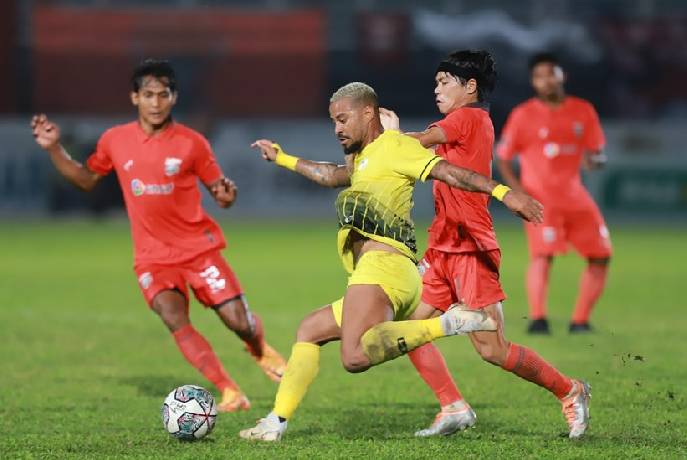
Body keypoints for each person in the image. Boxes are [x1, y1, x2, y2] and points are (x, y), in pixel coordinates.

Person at [238, 81, 544, 441]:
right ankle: (275, 422)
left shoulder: (395, 147)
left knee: (353, 358)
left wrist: (504, 192)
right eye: (333, 122)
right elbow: (332, 175)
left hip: (384, 268)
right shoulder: (364, 158)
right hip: (378, 271)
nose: (337, 128)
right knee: (310, 330)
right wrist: (283, 157)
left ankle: (448, 324)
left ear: (368, 112)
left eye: (342, 119)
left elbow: (450, 172)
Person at [30, 58, 286, 412]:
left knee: (238, 322)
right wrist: (53, 148)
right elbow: (86, 179)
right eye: (148, 95)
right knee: (173, 316)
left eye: (162, 94)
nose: (155, 102)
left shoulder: (192, 143)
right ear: (134, 97)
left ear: (173, 97)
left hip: (199, 250)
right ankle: (229, 390)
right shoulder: (115, 140)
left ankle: (258, 348)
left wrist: (228, 195)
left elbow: (221, 193)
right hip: (152, 257)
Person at [380, 50, 592, 439]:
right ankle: (453, 406)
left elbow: (415, 144)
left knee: (493, 350)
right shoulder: (459, 122)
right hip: (442, 246)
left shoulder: (468, 118)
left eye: (445, 81)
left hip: (470, 248)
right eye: (435, 82)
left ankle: (571, 390)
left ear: (470, 86)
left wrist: (385, 134)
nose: (436, 88)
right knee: (407, 331)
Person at [496, 52, 611, 334]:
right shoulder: (523, 115)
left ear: (562, 75)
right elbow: (503, 157)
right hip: (540, 199)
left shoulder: (583, 111)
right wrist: (518, 191)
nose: (545, 81)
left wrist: (595, 161)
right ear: (533, 82)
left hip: (576, 197)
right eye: (539, 76)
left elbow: (597, 154)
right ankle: (538, 319)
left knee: (601, 255)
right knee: (543, 255)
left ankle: (580, 321)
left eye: (550, 74)